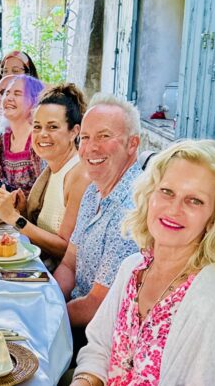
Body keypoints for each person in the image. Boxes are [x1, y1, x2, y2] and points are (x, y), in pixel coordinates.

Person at [72, 140, 215, 385]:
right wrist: (84, 381)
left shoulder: (213, 301)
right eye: (167, 192)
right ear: (149, 196)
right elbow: (99, 350)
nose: (174, 209)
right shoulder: (133, 268)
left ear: (213, 218)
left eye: (195, 201)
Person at [53, 93, 142, 361]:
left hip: (100, 342)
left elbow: (97, 306)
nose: (91, 148)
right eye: (86, 137)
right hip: (72, 317)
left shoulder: (131, 208)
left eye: (104, 136)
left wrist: (49, 318)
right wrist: (48, 301)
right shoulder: (94, 190)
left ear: (132, 144)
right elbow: (69, 263)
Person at [0, 84, 91, 265]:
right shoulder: (53, 167)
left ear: (74, 132)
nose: (42, 134)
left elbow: (66, 250)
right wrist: (22, 210)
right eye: (37, 127)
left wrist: (15, 219)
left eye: (52, 127)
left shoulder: (79, 175)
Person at [0, 74, 46, 194]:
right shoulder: (3, 139)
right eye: (7, 93)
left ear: (34, 101)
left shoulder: (39, 141)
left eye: (18, 94)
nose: (8, 98)